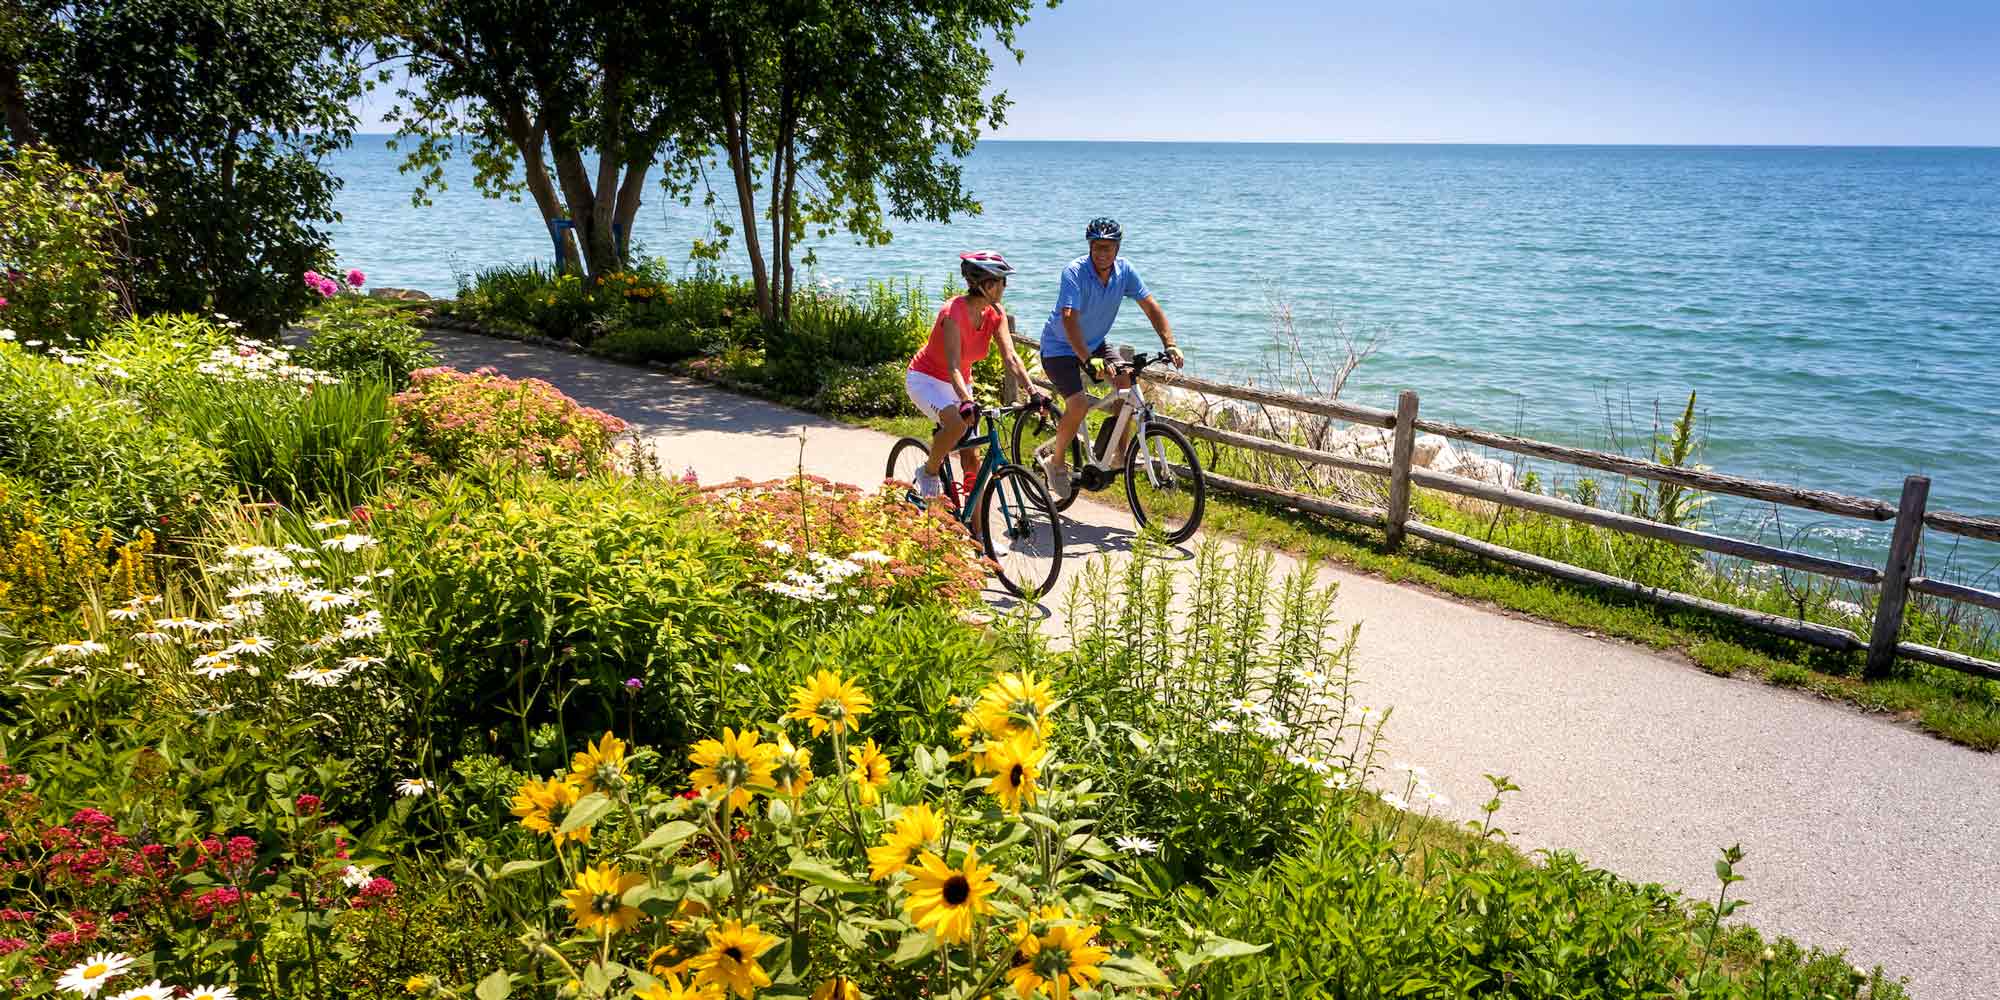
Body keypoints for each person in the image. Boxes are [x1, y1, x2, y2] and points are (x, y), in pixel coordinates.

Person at [1036, 217, 1183, 497]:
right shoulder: (1075, 272)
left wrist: (1170, 343)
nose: (1102, 253)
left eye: (1108, 247)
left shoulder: (1124, 271)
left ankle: (1120, 453)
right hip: (1059, 347)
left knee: (1126, 385)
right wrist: (1088, 361)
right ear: (1090, 246)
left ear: (1117, 248)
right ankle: (1056, 464)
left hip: (1095, 343)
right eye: (1097, 247)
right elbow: (1069, 319)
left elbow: (1151, 306)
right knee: (1078, 405)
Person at [904, 251, 1041, 500]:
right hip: (926, 379)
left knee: (973, 463)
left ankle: (977, 534)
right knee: (956, 424)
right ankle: (928, 472)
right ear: (988, 285)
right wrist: (966, 401)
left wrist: (1033, 392)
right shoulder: (953, 312)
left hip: (960, 384)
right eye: (1002, 281)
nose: (1005, 287)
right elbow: (953, 364)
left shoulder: (995, 313)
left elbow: (1010, 357)